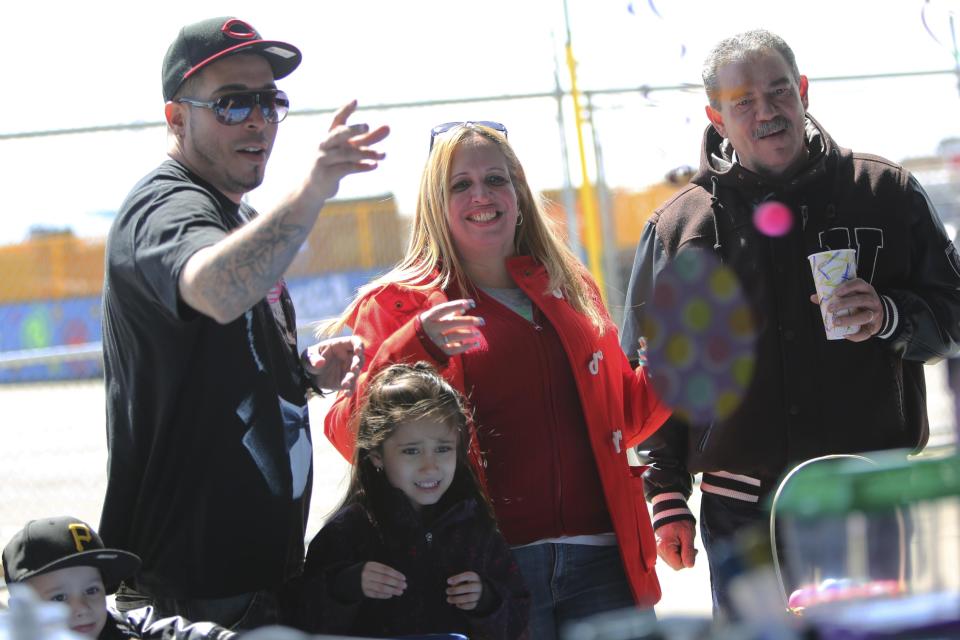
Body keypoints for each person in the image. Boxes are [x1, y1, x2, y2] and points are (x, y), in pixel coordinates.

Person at [620, 29, 960, 618]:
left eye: (778, 92)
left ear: (803, 92)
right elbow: (648, 377)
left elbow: (952, 314)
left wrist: (891, 316)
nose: (766, 111)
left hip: (865, 493)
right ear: (716, 118)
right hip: (741, 509)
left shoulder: (884, 194)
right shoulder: (680, 229)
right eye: (743, 102)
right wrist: (666, 493)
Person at [323, 121, 671, 638]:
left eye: (496, 179)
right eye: (460, 185)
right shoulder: (397, 305)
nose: (481, 195)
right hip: (487, 574)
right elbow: (349, 433)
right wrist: (417, 342)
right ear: (435, 204)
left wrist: (672, 373)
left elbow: (622, 421)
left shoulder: (570, 287)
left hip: (605, 562)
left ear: (519, 192)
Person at [99, 16, 388, 628]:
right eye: (232, 104)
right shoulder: (164, 205)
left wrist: (301, 373)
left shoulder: (236, 216)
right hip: (194, 592)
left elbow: (222, 353)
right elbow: (215, 289)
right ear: (177, 118)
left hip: (258, 576)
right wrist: (315, 187)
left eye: (268, 101)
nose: (257, 120)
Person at [297, 362, 529, 638]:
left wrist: (487, 601)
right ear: (377, 456)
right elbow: (302, 618)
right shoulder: (349, 531)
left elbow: (519, 618)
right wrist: (346, 585)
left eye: (443, 448)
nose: (430, 466)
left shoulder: (476, 526)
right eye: (411, 451)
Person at [2, 516, 233, 640]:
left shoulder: (129, 627)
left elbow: (180, 633)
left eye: (92, 590)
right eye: (59, 597)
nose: (82, 608)